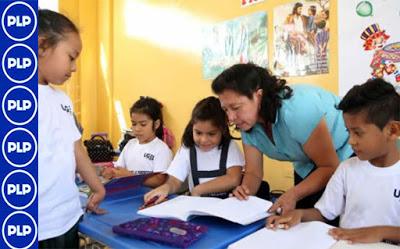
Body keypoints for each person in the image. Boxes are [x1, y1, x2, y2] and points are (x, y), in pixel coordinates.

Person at [267, 78, 400, 244]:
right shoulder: (347, 169)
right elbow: (323, 213)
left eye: (358, 133)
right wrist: (300, 215)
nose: (351, 141)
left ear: (392, 130)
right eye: (348, 132)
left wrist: (380, 232)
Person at [211, 63, 353, 215]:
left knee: (340, 221)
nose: (231, 118)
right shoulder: (247, 123)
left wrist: (293, 194)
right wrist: (244, 192)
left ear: (258, 95)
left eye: (236, 107)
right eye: (226, 109)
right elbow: (253, 172)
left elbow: (328, 166)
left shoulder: (297, 110)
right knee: (301, 220)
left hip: (347, 153)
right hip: (307, 164)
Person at [38, 9, 105, 248]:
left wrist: (97, 188)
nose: (74, 67)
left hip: (67, 218)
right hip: (36, 224)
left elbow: (76, 148)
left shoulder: (62, 100)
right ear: (41, 46)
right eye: (71, 57)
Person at [144, 96, 244, 205]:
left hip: (227, 208)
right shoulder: (187, 148)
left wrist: (199, 189)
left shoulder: (230, 147)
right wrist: (166, 188)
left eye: (211, 134)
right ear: (192, 127)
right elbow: (174, 180)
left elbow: (233, 179)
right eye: (198, 133)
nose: (204, 140)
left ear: (223, 130)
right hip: (198, 209)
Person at [102, 96, 173, 188]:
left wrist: (130, 177)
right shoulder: (130, 144)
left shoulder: (162, 149)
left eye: (143, 124)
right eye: (134, 124)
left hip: (148, 195)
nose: (137, 129)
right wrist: (111, 171)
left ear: (156, 124)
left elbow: (159, 180)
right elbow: (119, 168)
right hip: (128, 192)